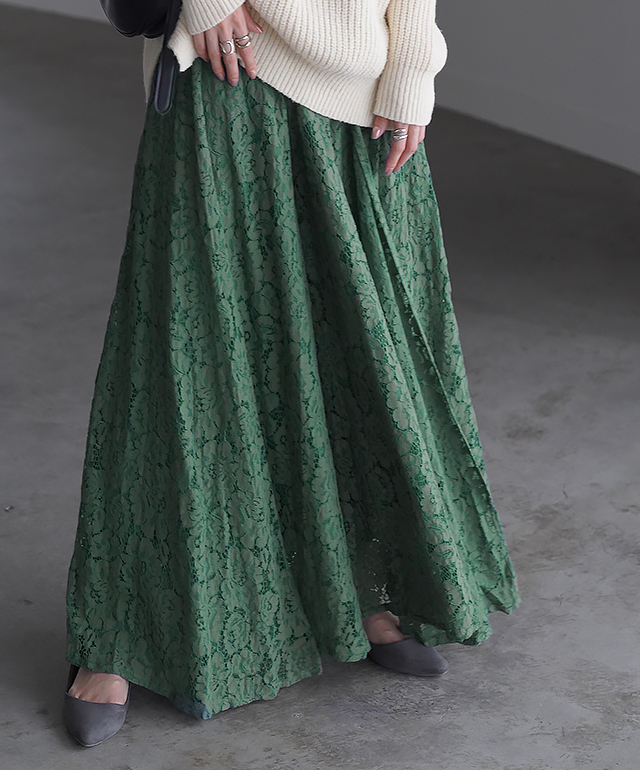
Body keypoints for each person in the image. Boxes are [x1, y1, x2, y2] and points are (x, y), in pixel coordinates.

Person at [63, 0, 520, 748]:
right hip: (229, 57)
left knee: (356, 356)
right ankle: (118, 637)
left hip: (361, 79)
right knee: (188, 354)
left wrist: (411, 67)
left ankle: (358, 590)